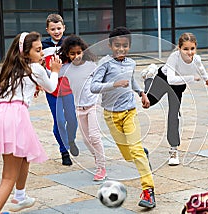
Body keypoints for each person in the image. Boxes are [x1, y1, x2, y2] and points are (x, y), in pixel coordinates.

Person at [0, 32, 62, 213]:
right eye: (38, 50)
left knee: (25, 153)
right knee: (8, 177)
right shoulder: (36, 68)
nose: (41, 53)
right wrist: (55, 70)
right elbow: (51, 87)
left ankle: (20, 196)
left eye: (41, 49)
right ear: (25, 53)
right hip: (14, 116)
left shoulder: (13, 68)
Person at [90, 27, 156, 208]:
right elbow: (93, 87)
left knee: (135, 151)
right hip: (111, 115)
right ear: (110, 45)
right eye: (117, 45)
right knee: (129, 155)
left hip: (129, 112)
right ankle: (143, 153)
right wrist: (114, 84)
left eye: (125, 46)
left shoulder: (131, 63)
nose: (121, 49)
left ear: (129, 46)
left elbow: (132, 79)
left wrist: (141, 93)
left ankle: (148, 191)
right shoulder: (105, 63)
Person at [141, 32, 208, 166]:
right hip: (163, 79)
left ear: (195, 48)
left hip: (178, 87)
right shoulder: (174, 57)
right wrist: (191, 78)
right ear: (179, 48)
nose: (189, 52)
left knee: (173, 115)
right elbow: (171, 79)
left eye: (192, 49)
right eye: (185, 49)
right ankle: (149, 76)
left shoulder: (196, 59)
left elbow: (201, 69)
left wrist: (206, 78)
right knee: (148, 103)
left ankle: (173, 150)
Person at [59, 35, 107, 181]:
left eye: (78, 52)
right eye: (72, 53)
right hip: (79, 108)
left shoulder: (92, 65)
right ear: (67, 54)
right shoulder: (65, 69)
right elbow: (52, 77)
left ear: (83, 52)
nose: (76, 56)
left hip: (94, 105)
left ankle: (101, 166)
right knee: (86, 140)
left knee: (94, 136)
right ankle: (97, 158)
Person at [42, 13, 79, 166]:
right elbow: (36, 64)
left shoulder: (70, 43)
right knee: (59, 121)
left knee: (72, 120)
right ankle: (64, 151)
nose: (56, 31)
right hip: (52, 90)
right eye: (53, 29)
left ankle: (71, 139)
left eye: (59, 28)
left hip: (68, 88)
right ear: (47, 30)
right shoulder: (43, 46)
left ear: (64, 27)